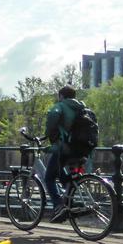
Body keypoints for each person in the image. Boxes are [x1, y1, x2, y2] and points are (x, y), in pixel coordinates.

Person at [44, 85, 85, 222]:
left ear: (61, 96)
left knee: (49, 177)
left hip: (65, 148)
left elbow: (52, 116)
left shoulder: (60, 106)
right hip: (83, 148)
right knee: (62, 175)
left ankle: (59, 205)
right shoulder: (82, 107)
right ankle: (70, 203)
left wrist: (47, 134)